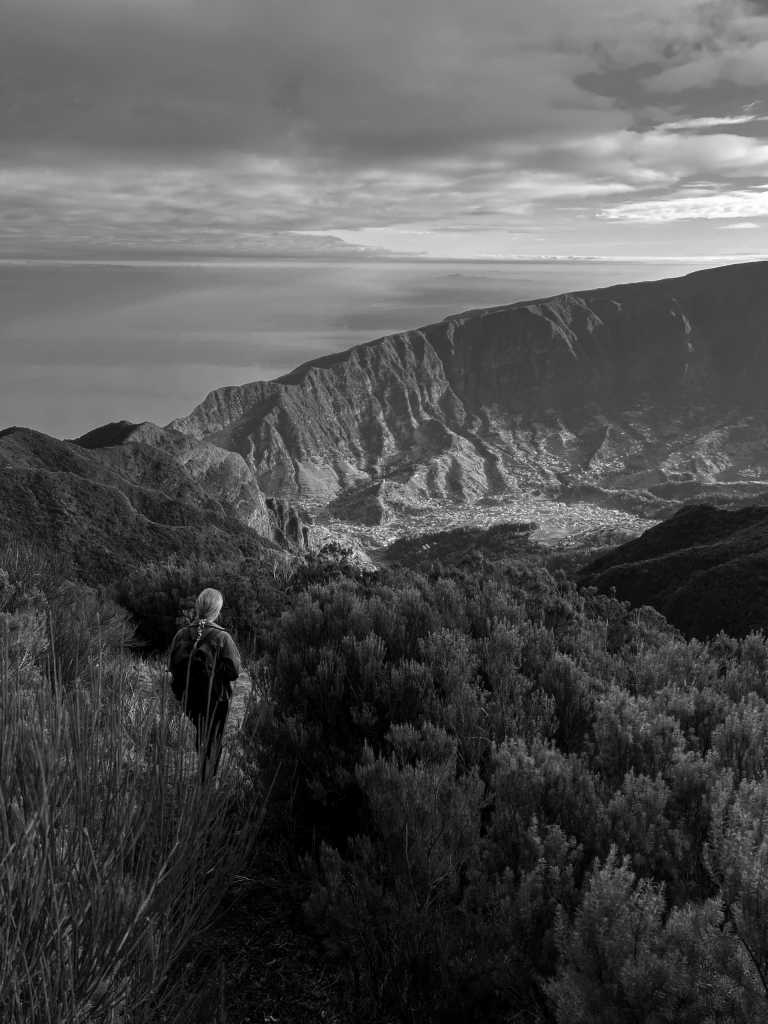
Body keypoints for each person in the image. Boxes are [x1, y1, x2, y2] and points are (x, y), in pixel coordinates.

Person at [167, 587, 241, 781]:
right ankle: (207, 781)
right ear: (217, 610)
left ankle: (203, 773)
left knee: (202, 731)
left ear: (198, 607)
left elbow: (172, 666)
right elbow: (234, 671)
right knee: (214, 738)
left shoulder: (181, 634)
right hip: (216, 698)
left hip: (188, 697)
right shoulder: (222, 637)